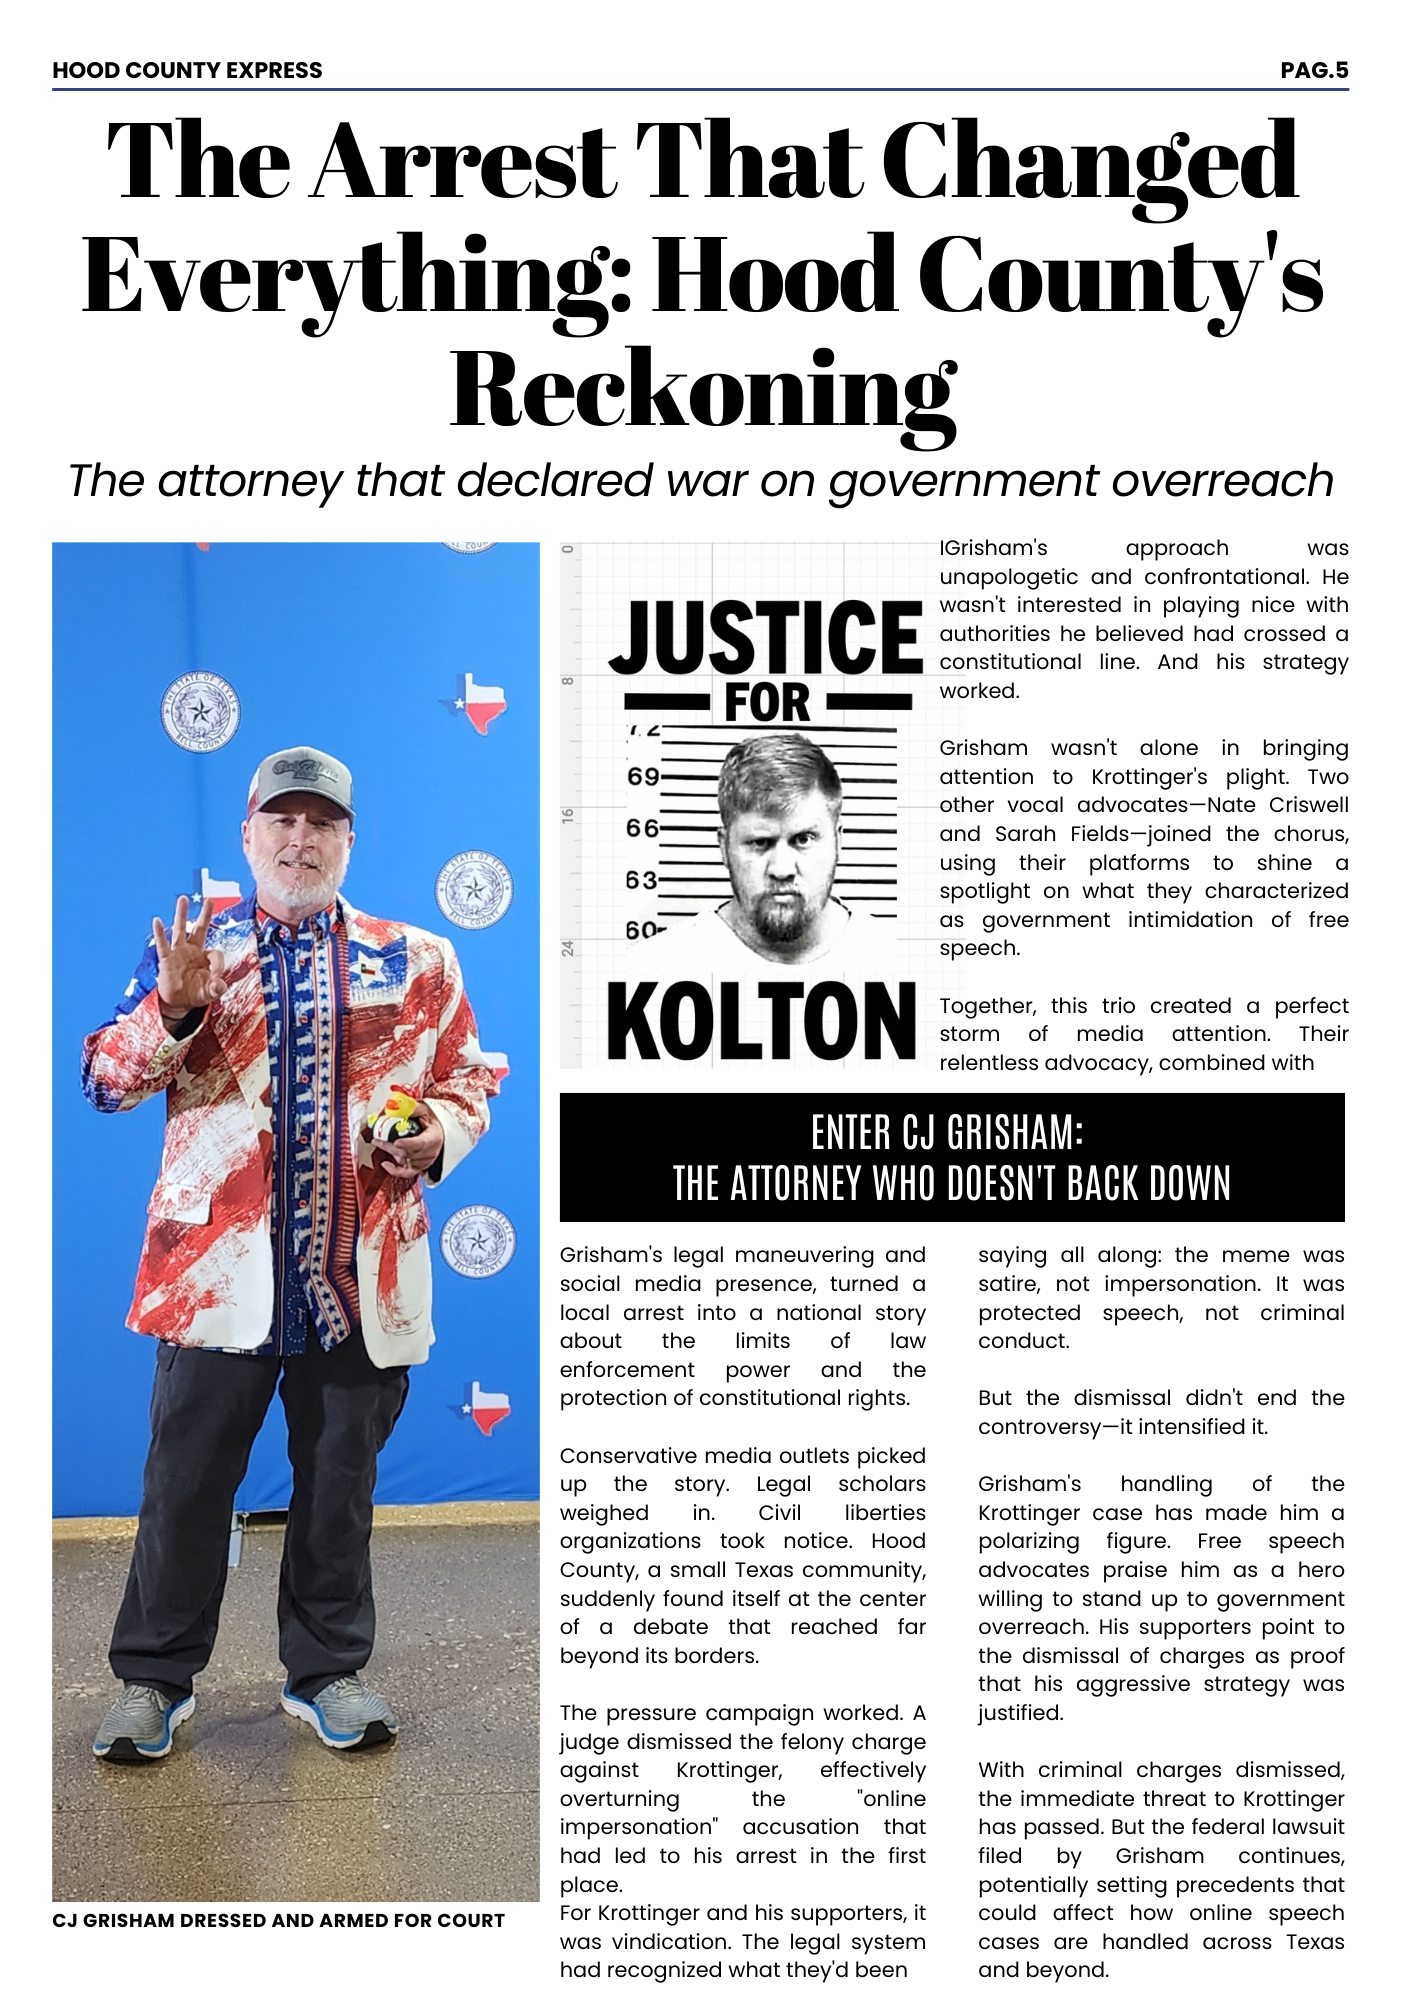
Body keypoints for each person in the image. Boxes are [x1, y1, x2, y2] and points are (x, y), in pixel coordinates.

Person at [81, 747, 505, 1762]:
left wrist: (433, 1138)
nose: (301, 838)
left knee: (337, 1486)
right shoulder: (192, 951)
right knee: (183, 1483)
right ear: (249, 834)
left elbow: (465, 1087)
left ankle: (327, 1674)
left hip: (360, 1276)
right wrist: (172, 1010)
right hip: (214, 1278)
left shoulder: (422, 958)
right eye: (284, 819)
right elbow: (106, 1078)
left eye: (322, 822)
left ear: (349, 838)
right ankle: (152, 1681)